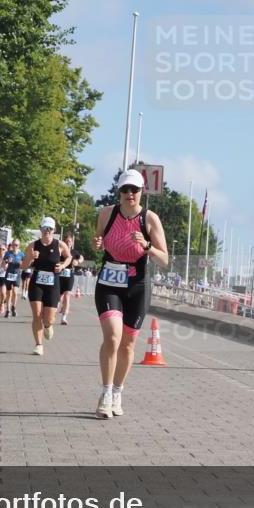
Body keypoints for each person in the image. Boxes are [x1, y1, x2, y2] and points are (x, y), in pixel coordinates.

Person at [92, 169, 168, 419]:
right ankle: (105, 392)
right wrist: (97, 244)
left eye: (134, 190)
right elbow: (98, 241)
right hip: (110, 280)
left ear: (141, 192)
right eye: (125, 190)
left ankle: (117, 391)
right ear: (119, 192)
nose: (129, 194)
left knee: (127, 344)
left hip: (137, 283)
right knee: (112, 337)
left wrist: (146, 246)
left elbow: (165, 259)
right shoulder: (106, 214)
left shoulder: (150, 219)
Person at [20, 217, 71, 356]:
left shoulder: (60, 245)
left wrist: (63, 265)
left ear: (54, 230)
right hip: (37, 282)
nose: (47, 231)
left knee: (48, 319)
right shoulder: (32, 245)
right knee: (37, 315)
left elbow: (69, 257)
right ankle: (38, 345)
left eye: (50, 229)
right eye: (44, 228)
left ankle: (48, 325)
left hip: (53, 283)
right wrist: (31, 258)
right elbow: (23, 266)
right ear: (40, 229)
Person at [57, 233, 84, 326]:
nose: (69, 243)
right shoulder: (60, 251)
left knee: (67, 295)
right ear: (64, 243)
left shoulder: (74, 252)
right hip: (60, 275)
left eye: (70, 241)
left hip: (69, 274)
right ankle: (52, 312)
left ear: (72, 243)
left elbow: (81, 257)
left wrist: (78, 261)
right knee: (58, 298)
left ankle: (64, 318)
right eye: (67, 241)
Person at [3, 239, 23, 317]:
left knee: (15, 292)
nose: (14, 246)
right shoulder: (8, 253)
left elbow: (24, 264)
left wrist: (21, 264)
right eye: (13, 245)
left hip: (17, 275)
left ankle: (13, 307)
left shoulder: (21, 254)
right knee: (9, 293)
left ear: (19, 246)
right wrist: (8, 261)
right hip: (9, 275)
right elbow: (4, 264)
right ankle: (7, 310)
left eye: (16, 245)